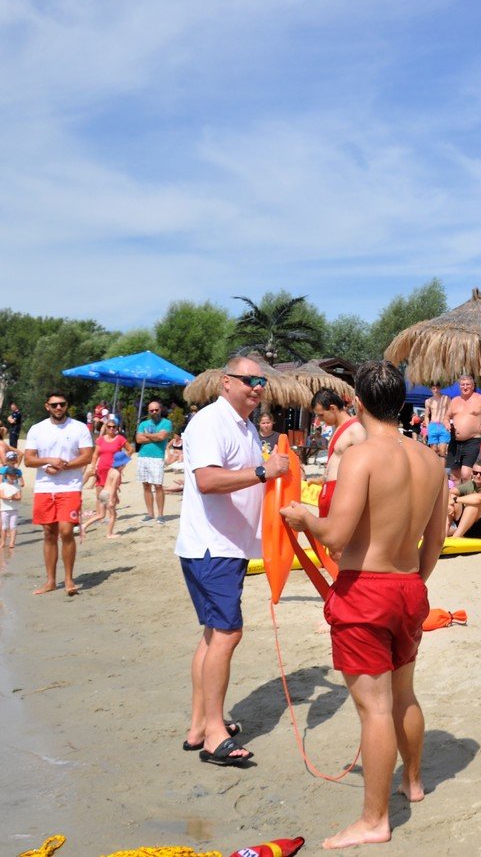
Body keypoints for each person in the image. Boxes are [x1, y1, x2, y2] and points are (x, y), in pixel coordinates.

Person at [281, 360, 447, 849]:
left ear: (356, 402)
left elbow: (335, 534)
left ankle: (375, 820)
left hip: (366, 591)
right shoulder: (431, 460)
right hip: (408, 586)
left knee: (374, 709)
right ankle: (412, 781)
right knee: (403, 694)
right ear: (402, 401)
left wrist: (303, 517)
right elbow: (433, 542)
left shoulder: (362, 456)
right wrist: (412, 583)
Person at [175, 357, 289, 766]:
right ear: (226, 383)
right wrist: (263, 471)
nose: (257, 387)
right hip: (212, 547)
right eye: (248, 380)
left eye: (261, 381)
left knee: (212, 635)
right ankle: (214, 736)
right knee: (227, 634)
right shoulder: (210, 421)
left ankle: (199, 726)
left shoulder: (242, 425)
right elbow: (207, 481)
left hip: (226, 546)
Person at [24, 391, 94, 595]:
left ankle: (69, 579)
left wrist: (63, 466)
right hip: (45, 487)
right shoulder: (37, 429)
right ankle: (51, 581)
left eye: (62, 404)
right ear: (47, 406)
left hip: (70, 486)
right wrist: (49, 461)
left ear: (67, 405)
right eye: (54, 405)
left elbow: (87, 456)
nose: (58, 408)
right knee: (48, 533)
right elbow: (28, 459)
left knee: (66, 531)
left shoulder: (79, 427)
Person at [312, 388, 367, 520]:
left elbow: (368, 465)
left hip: (340, 493)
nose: (319, 420)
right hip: (329, 491)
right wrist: (322, 478)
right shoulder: (338, 428)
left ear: (332, 408)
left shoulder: (356, 429)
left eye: (321, 415)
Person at [445, 374, 481, 483]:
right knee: (455, 476)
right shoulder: (455, 400)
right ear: (459, 386)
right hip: (455, 441)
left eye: (467, 384)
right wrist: (446, 423)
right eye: (462, 385)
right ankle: (457, 499)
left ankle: (468, 498)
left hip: (472, 440)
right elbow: (447, 416)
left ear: (472, 386)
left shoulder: (480, 399)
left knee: (466, 474)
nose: (465, 387)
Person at [135, 400, 174, 523]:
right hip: (143, 456)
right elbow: (138, 440)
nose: (154, 412)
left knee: (158, 486)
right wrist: (154, 437)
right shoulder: (143, 424)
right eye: (152, 410)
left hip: (157, 458)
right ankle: (150, 513)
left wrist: (148, 435)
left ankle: (160, 515)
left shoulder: (166, 422)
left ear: (160, 409)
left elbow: (162, 437)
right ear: (148, 411)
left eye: (156, 409)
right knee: (146, 485)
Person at [81, 450, 129, 541]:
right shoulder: (117, 473)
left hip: (103, 493)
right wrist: (112, 500)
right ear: (122, 464)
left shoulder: (111, 470)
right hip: (108, 495)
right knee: (113, 515)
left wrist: (116, 497)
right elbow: (114, 487)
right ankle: (109, 534)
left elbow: (109, 484)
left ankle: (84, 525)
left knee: (101, 515)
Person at [448, 459, 481, 539]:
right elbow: (450, 492)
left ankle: (456, 537)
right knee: (452, 502)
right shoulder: (470, 484)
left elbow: (479, 499)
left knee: (474, 504)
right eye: (475, 472)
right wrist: (450, 502)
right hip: (472, 526)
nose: (478, 476)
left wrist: (455, 499)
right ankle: (443, 534)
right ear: (472, 472)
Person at [0, 452, 24, 550]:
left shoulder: (17, 486)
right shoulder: (2, 485)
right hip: (5, 509)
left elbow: (19, 497)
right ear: (6, 475)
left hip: (14, 509)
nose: (12, 477)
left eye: (14, 476)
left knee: (13, 526)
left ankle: (12, 542)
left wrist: (12, 497)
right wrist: (11, 497)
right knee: (4, 526)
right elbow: (1, 495)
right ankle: (3, 542)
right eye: (10, 476)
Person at [423, 384, 451, 458]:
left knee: (442, 450)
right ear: (431, 389)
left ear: (440, 388)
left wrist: (448, 422)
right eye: (433, 388)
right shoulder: (428, 401)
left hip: (443, 425)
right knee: (433, 450)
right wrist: (428, 427)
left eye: (437, 388)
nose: (435, 390)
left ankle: (441, 468)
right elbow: (426, 415)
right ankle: (434, 468)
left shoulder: (446, 398)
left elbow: (451, 412)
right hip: (433, 425)